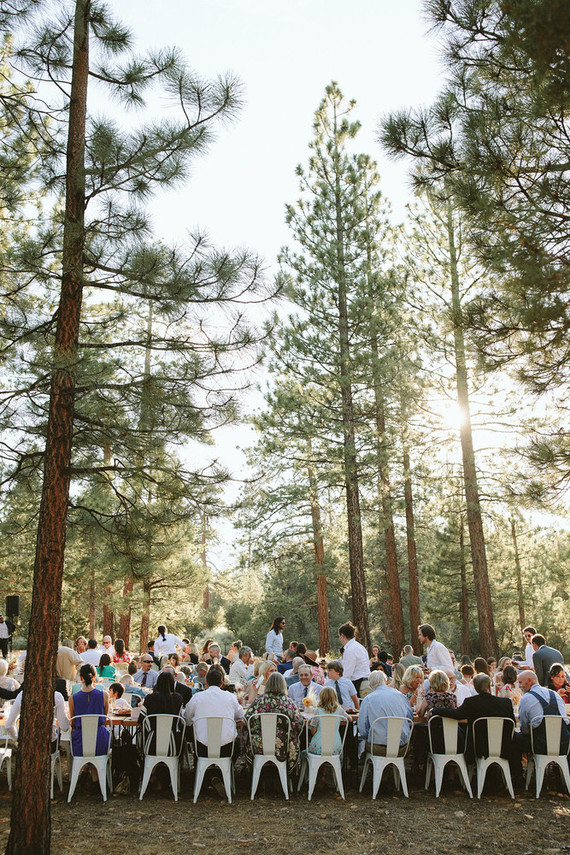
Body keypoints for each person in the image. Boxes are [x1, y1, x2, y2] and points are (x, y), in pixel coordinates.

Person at [431, 673, 518, 771]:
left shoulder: (471, 702)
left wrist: (435, 710)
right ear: (489, 687)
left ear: (475, 688)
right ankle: (515, 772)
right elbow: (513, 723)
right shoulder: (506, 703)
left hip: (478, 747)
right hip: (504, 747)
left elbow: (456, 714)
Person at [245, 672, 303, 770]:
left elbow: (247, 720)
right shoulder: (288, 703)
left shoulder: (259, 701)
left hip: (259, 745)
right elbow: (299, 724)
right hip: (283, 746)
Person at [185, 667, 244, 755]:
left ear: (206, 683)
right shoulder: (230, 697)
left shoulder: (197, 697)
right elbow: (240, 716)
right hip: (227, 748)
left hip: (202, 748)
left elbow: (187, 717)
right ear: (222, 684)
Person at [68, 664, 110, 781]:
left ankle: (85, 773)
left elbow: (73, 722)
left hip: (81, 743)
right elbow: (105, 718)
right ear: (94, 677)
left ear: (81, 678)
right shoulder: (104, 695)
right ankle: (95, 779)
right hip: (99, 741)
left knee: (80, 740)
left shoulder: (72, 699)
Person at [358, 670, 413, 754]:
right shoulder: (400, 695)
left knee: (364, 744)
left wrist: (368, 736)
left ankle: (367, 762)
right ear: (385, 680)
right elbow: (409, 717)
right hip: (402, 747)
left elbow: (363, 729)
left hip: (378, 746)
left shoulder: (368, 699)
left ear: (370, 685)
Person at [515, 671, 569, 756]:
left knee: (514, 737)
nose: (519, 686)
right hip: (563, 745)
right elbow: (566, 722)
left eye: (520, 682)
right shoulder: (555, 694)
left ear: (529, 681)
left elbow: (524, 729)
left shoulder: (526, 698)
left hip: (540, 747)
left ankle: (519, 764)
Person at [308, 686, 349, 755]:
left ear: (321, 697)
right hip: (335, 746)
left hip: (318, 746)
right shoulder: (339, 709)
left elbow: (313, 731)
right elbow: (349, 718)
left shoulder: (317, 711)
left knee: (306, 751)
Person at [338, 621, 370, 695]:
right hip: (365, 681)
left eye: (339, 636)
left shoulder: (350, 650)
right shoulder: (360, 647)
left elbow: (347, 673)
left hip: (359, 684)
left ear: (342, 635)